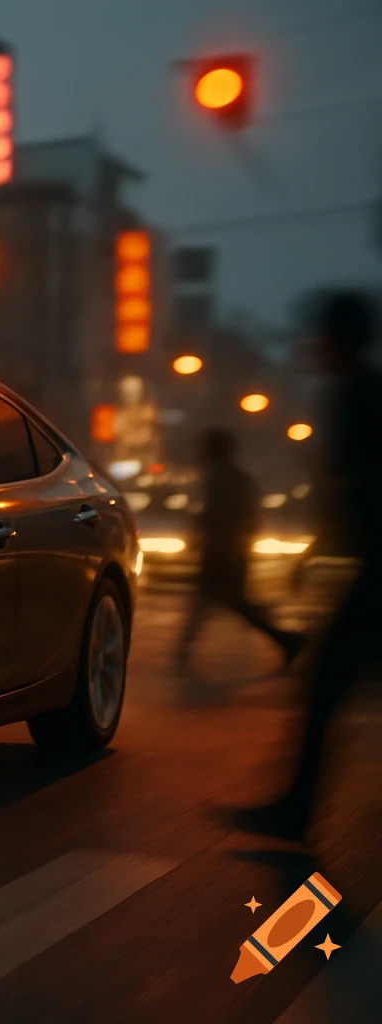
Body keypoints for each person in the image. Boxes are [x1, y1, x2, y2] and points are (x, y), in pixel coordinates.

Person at [235, 290, 382, 842]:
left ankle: (295, 813)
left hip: (378, 577)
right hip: (374, 571)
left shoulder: (355, 395)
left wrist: (310, 553)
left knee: (325, 688)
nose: (311, 346)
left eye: (318, 336)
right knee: (327, 686)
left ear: (334, 339)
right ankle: (294, 811)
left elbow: (347, 488)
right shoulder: (364, 389)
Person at [175, 427, 304, 673]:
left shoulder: (220, 479)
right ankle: (287, 640)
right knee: (230, 603)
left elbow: (219, 515)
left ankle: (289, 640)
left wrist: (201, 530)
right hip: (233, 550)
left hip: (222, 551)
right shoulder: (238, 478)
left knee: (212, 601)